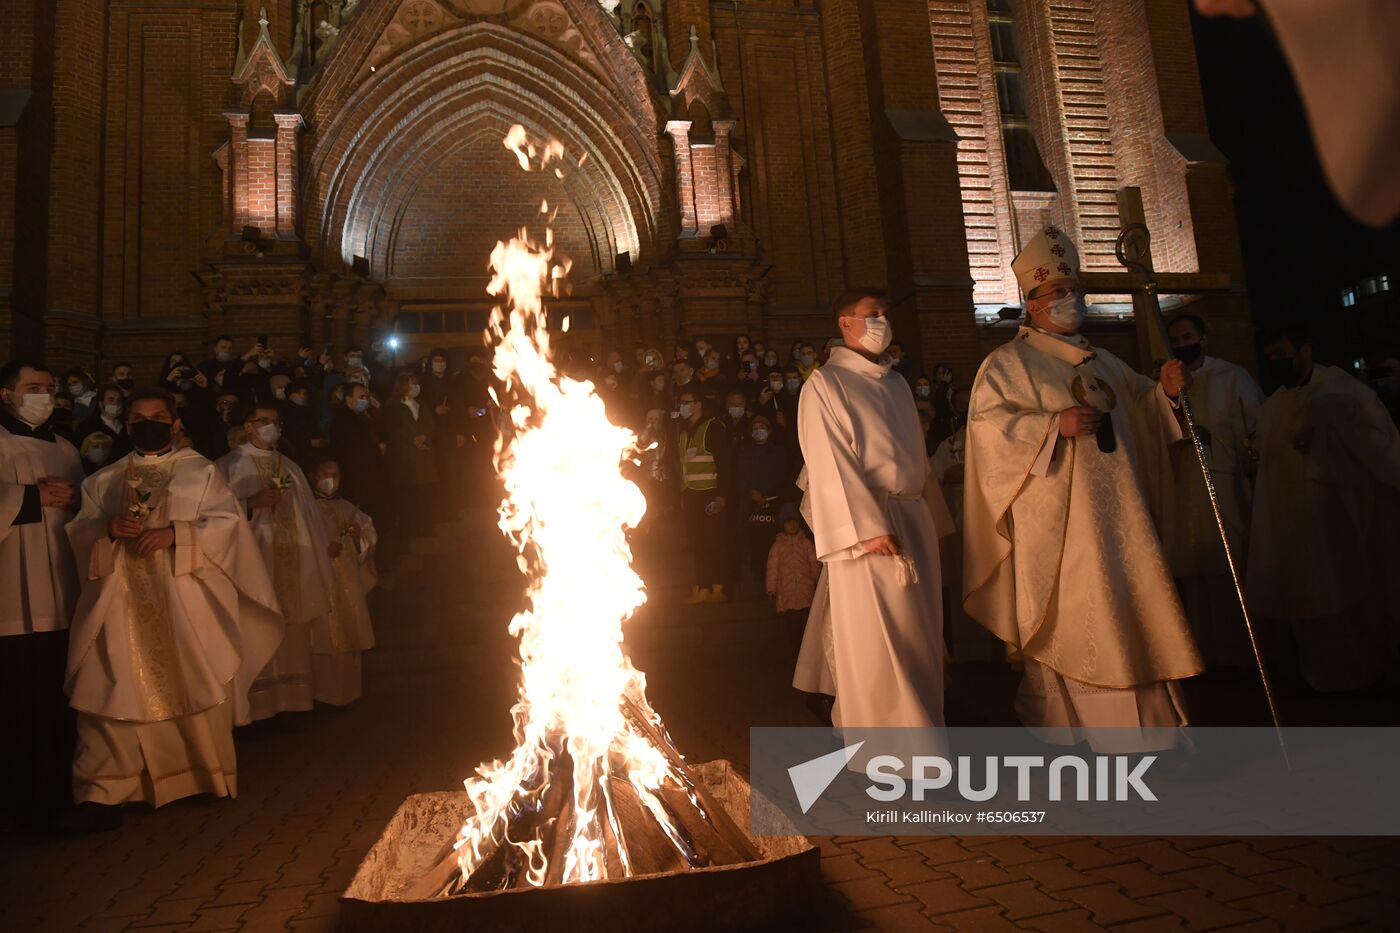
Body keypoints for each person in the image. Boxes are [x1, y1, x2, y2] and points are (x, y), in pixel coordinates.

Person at [962, 226, 1202, 751]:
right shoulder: (1005, 365)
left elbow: (1142, 408)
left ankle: (1155, 734)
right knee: (1077, 622)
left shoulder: (1105, 361)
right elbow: (988, 434)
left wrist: (1163, 393)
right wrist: (1053, 427)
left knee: (1131, 613)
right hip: (1060, 533)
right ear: (1030, 303)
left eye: (1075, 291)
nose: (1071, 301)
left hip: (1122, 525)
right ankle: (1078, 733)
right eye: (1057, 293)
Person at [64, 388, 282, 825]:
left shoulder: (200, 473)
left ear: (175, 424)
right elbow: (79, 532)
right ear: (128, 427)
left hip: (184, 599)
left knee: (191, 678)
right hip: (119, 603)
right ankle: (106, 790)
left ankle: (201, 776)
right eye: (140, 418)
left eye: (159, 417)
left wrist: (176, 535)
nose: (150, 424)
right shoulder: (103, 481)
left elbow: (226, 525)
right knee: (111, 683)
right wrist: (105, 528)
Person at [791, 288, 953, 755]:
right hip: (872, 529)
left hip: (912, 518)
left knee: (920, 640)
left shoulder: (896, 384)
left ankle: (924, 741)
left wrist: (935, 521)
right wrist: (866, 526)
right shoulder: (826, 384)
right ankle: (896, 754)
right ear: (844, 323)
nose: (882, 321)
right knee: (881, 642)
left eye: (885, 313)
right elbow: (829, 461)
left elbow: (918, 458)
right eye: (870, 315)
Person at [1246, 325, 1400, 692]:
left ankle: (1362, 675)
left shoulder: (1343, 391)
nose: (1276, 363)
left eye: (1282, 353)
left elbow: (1378, 445)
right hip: (1291, 521)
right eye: (1269, 357)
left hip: (1336, 517)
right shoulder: (1274, 404)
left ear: (1305, 351)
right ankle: (1317, 676)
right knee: (1306, 598)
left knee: (1344, 595)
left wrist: (1327, 438)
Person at [0, 360, 84, 830]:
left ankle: (56, 796)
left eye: (50, 389)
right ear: (6, 395)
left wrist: (78, 502)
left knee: (57, 701)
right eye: (33, 388)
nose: (44, 396)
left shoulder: (67, 449)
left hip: (61, 592)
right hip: (8, 601)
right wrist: (31, 499)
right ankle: (18, 805)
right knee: (16, 704)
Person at [218, 404, 335, 721]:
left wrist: (319, 553)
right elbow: (213, 517)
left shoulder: (292, 468)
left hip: (294, 560)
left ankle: (293, 704)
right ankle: (257, 708)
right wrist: (251, 504)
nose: (271, 426)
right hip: (252, 562)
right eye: (263, 421)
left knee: (293, 631)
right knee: (256, 624)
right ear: (248, 426)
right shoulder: (229, 466)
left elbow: (310, 516)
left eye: (275, 422)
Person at [1161, 313, 1265, 668]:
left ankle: (1239, 653)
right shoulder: (1164, 382)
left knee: (1226, 568)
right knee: (1194, 570)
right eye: (1174, 339)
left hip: (1223, 479)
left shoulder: (1231, 377)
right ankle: (1204, 653)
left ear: (1202, 337)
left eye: (1187, 336)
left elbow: (1254, 427)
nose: (1181, 344)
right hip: (1184, 482)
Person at [307, 460, 377, 706]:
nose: (330, 479)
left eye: (335, 474)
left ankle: (349, 694)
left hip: (348, 584)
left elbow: (368, 541)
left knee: (350, 633)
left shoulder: (348, 508)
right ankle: (322, 695)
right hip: (321, 583)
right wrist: (323, 550)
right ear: (313, 475)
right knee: (323, 637)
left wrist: (360, 539)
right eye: (325, 474)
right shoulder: (305, 509)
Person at [676, 389, 732, 604]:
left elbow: (725, 464)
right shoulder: (684, 430)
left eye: (687, 401)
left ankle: (719, 587)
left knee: (714, 541)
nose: (683, 406)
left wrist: (721, 496)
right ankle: (702, 587)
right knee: (698, 542)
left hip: (710, 493)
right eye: (682, 402)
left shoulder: (713, 427)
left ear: (698, 404)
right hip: (691, 495)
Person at [380, 372, 439, 542]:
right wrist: (411, 439)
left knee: (424, 495)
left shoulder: (421, 404)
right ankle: (410, 530)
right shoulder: (392, 405)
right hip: (404, 458)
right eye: (411, 384)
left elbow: (430, 424)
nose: (415, 387)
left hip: (423, 455)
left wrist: (424, 436)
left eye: (416, 383)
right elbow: (394, 429)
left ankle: (425, 527)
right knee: (408, 496)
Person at [330, 382, 383, 516]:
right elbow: (355, 446)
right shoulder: (344, 418)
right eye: (361, 396)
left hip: (365, 470)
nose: (364, 400)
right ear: (349, 399)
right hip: (355, 472)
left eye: (366, 396)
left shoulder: (361, 416)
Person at [73, 383, 131, 460]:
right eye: (111, 400)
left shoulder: (128, 425)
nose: (116, 403)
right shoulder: (87, 426)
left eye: (119, 400)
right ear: (101, 403)